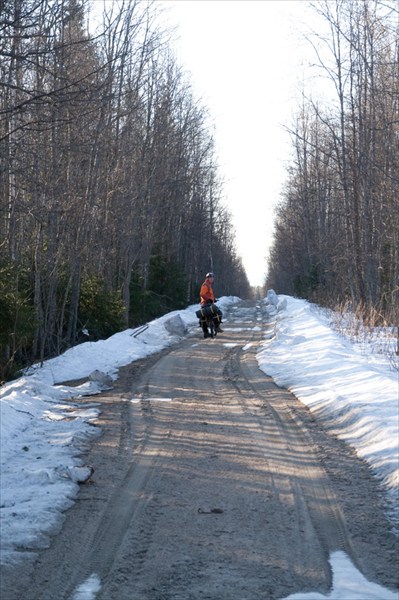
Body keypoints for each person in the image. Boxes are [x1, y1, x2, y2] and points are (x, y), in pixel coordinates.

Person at [199, 272, 223, 338]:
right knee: (218, 313)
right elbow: (202, 294)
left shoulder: (209, 285)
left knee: (205, 316)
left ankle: (209, 331)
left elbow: (209, 295)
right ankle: (216, 327)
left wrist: (213, 299)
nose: (212, 279)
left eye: (213, 278)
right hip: (206, 303)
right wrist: (208, 299)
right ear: (208, 278)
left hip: (208, 303)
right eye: (211, 278)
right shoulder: (205, 285)